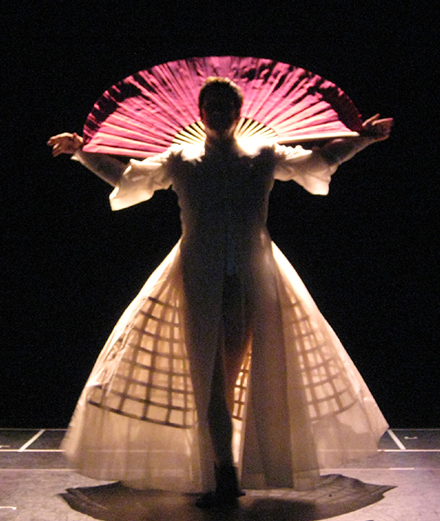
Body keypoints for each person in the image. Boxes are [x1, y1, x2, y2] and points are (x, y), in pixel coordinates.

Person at [48, 77, 393, 509]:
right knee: (207, 378)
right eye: (211, 105)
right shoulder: (182, 159)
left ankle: (235, 467)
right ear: (200, 112)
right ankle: (224, 474)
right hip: (196, 275)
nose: (218, 112)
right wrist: (81, 151)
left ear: (238, 110)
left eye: (226, 105)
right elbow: (128, 176)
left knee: (240, 377)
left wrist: (364, 139)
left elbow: (319, 161)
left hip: (255, 276)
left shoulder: (263, 155)